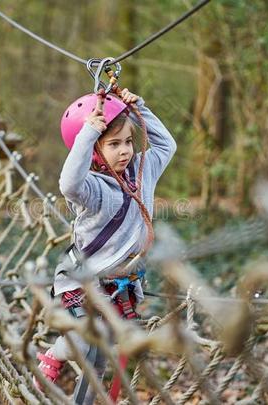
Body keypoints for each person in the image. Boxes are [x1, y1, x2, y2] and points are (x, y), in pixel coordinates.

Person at [34, 88, 177, 393]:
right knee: (88, 342)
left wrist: (141, 109)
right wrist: (89, 132)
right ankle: (53, 354)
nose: (125, 150)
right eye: (114, 144)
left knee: (102, 354)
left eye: (128, 141)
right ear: (94, 152)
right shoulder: (92, 189)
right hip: (82, 281)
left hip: (120, 285)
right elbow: (68, 183)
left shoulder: (143, 170)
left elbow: (166, 145)